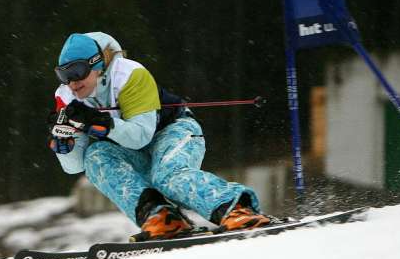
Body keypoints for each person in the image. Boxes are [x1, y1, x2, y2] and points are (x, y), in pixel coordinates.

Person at [49, 32, 270, 241]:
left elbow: (141, 137)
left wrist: (101, 123)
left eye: (77, 71)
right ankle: (162, 218)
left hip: (174, 130)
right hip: (132, 149)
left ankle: (237, 207)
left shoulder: (129, 75)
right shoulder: (66, 96)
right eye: (64, 75)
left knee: (166, 175)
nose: (72, 82)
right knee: (95, 157)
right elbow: (75, 166)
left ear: (96, 64)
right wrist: (65, 146)